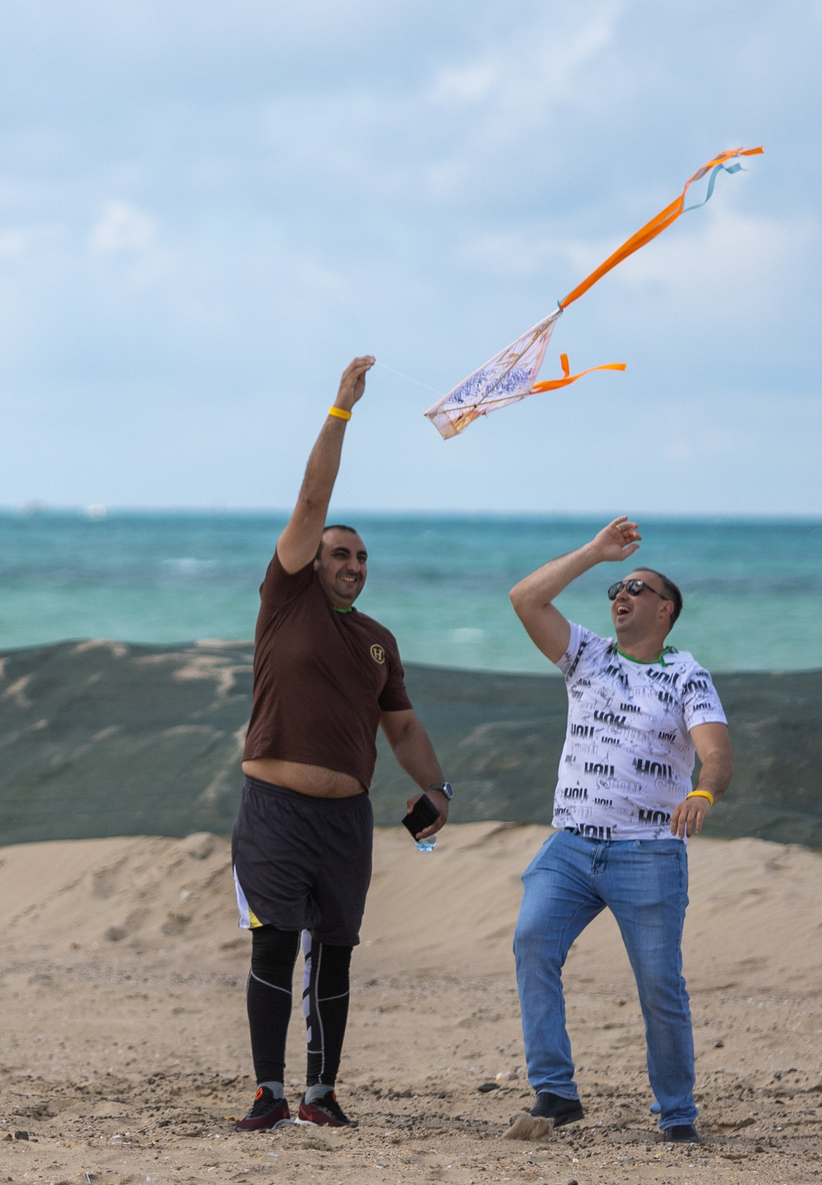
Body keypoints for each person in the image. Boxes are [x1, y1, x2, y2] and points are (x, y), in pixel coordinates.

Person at [230, 356, 455, 1132]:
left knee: (335, 949)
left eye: (361, 558)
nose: (353, 565)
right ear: (311, 560)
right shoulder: (285, 598)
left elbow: (403, 727)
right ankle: (268, 1091)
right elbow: (312, 498)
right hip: (275, 808)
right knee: (274, 943)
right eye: (340, 554)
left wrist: (438, 788)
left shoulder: (377, 639)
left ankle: (320, 1093)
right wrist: (341, 411)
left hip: (345, 820)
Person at [505, 518, 732, 1143]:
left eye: (635, 587)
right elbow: (525, 599)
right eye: (615, 588)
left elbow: (716, 753)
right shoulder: (587, 654)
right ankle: (555, 1091)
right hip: (572, 845)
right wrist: (595, 553)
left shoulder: (686, 674)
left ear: (665, 610)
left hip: (648, 852)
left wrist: (703, 792)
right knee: (532, 941)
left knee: (660, 984)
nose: (619, 595)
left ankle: (677, 1114)